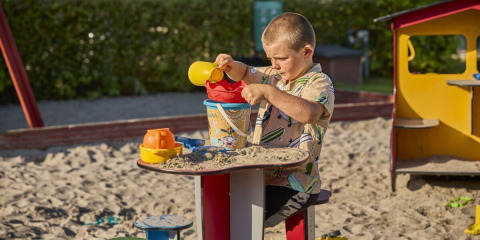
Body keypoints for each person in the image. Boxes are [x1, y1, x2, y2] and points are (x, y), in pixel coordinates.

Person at [215, 12, 335, 228]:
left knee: (245, 221)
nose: (275, 64)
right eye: (271, 58)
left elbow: (309, 113)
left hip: (296, 184)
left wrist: (269, 93)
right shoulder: (274, 76)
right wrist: (231, 66)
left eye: (281, 58)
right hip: (262, 176)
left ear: (306, 52)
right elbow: (245, 73)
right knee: (223, 206)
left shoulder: (319, 83)